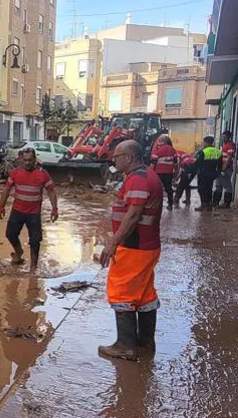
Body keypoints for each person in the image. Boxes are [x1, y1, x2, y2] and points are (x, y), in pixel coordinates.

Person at [99, 140, 163, 361]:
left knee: (122, 291)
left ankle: (125, 346)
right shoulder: (145, 175)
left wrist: (113, 242)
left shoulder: (138, 178)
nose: (113, 160)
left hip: (134, 247)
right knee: (144, 295)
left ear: (129, 157)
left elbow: (134, 214)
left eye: (116, 156)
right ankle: (145, 342)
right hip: (146, 246)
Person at [0, 148, 58, 270]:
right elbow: (6, 190)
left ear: (35, 160)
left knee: (35, 241)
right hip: (17, 210)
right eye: (25, 160)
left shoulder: (42, 174)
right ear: (21, 160)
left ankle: (33, 268)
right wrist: (1, 206)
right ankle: (18, 252)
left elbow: (51, 191)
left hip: (33, 213)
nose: (27, 163)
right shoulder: (15, 173)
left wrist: (54, 209)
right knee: (10, 234)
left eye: (30, 160)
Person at [195, 136, 222, 212]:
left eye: (204, 142)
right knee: (209, 189)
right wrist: (217, 173)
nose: (203, 144)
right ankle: (209, 205)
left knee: (201, 189)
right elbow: (220, 165)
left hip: (203, 173)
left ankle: (203, 205)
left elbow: (197, 163)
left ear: (206, 142)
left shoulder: (203, 151)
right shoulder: (218, 151)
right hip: (212, 173)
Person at [150, 135, 176, 210]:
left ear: (161, 141)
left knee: (157, 189)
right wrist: (175, 173)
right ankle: (170, 205)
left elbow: (153, 163)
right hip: (169, 173)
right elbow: (175, 162)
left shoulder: (157, 150)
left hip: (159, 173)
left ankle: (157, 205)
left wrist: (150, 173)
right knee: (169, 189)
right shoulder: (172, 149)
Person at [213, 130, 236, 208]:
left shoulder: (230, 145)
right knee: (218, 185)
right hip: (221, 168)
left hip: (226, 168)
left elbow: (229, 157)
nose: (223, 138)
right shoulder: (224, 145)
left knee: (227, 186)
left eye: (224, 137)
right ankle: (215, 202)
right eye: (222, 136)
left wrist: (224, 169)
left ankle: (226, 203)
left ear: (229, 137)